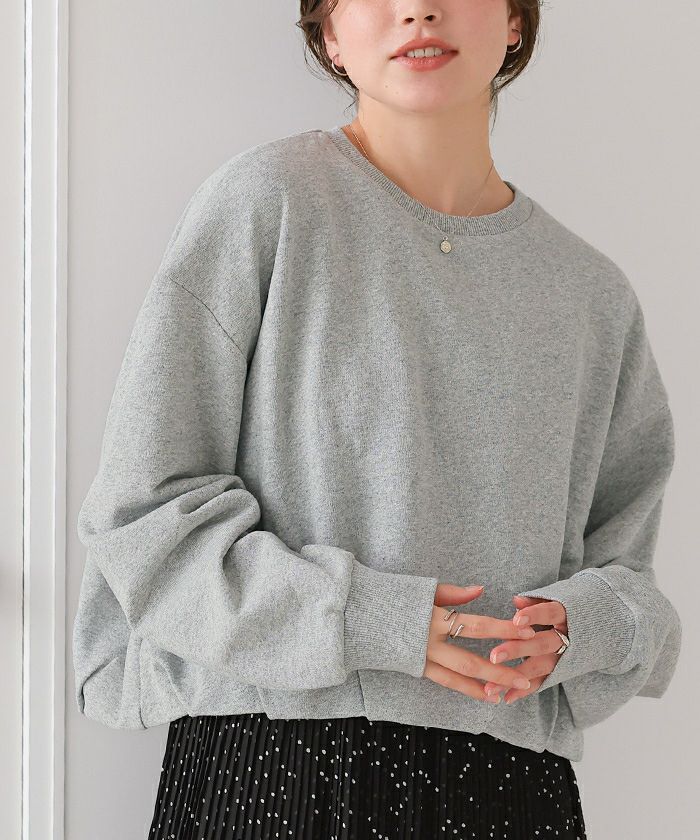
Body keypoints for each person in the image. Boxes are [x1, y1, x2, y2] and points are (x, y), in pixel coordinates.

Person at [72, 2, 682, 838]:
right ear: (329, 33)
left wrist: (581, 627)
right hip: (275, 765)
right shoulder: (267, 205)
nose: (418, 8)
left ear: (513, 19)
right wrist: (371, 620)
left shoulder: (590, 295)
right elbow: (144, 518)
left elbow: (629, 581)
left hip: (510, 786)